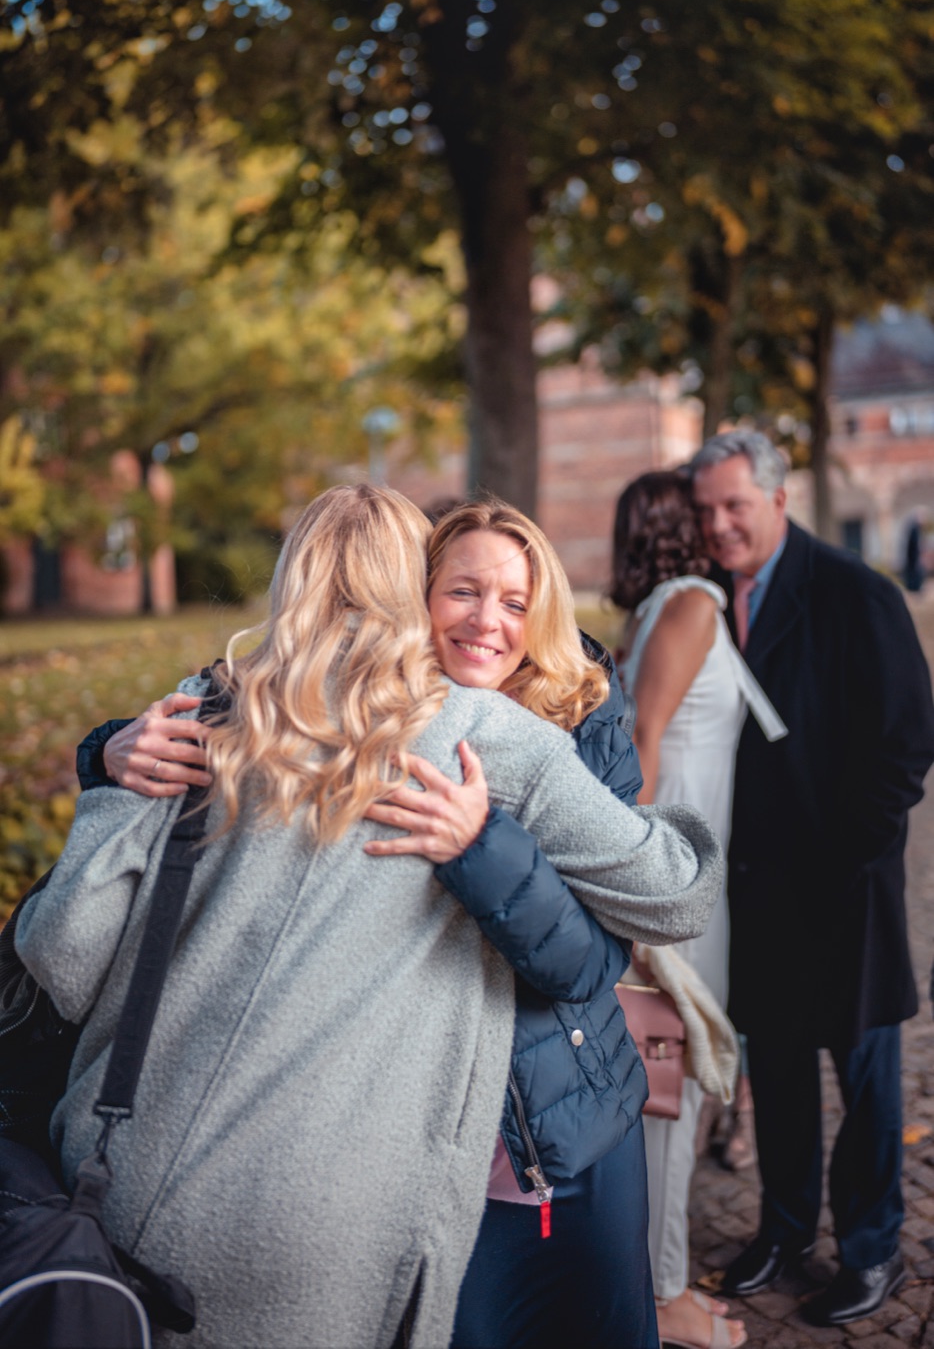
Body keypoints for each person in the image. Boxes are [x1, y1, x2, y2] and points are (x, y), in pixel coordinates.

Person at [19, 485, 723, 1349]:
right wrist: (110, 754)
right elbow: (680, 892)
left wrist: (110, 779)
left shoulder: (203, 710)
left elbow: (61, 955)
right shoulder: (482, 733)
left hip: (121, 1178)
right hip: (327, 1218)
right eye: (461, 591)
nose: (486, 621)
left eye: (513, 602)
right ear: (415, 590)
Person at [689, 430, 934, 1327]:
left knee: (866, 1082)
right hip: (757, 890)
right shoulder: (708, 596)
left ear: (778, 499)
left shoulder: (854, 592)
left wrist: (852, 854)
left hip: (846, 886)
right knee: (782, 1075)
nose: (720, 525)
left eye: (735, 506)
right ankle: (785, 1232)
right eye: (707, 509)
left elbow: (909, 741)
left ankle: (872, 1253)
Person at [611, 470, 784, 1349]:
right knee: (668, 1097)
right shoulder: (689, 605)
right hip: (675, 886)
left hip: (683, 877)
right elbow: (641, 744)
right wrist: (633, 893)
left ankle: (650, 1280)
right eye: (702, 514)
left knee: (662, 1087)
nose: (721, 526)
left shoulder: (657, 610)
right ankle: (662, 1294)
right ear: (678, 527)